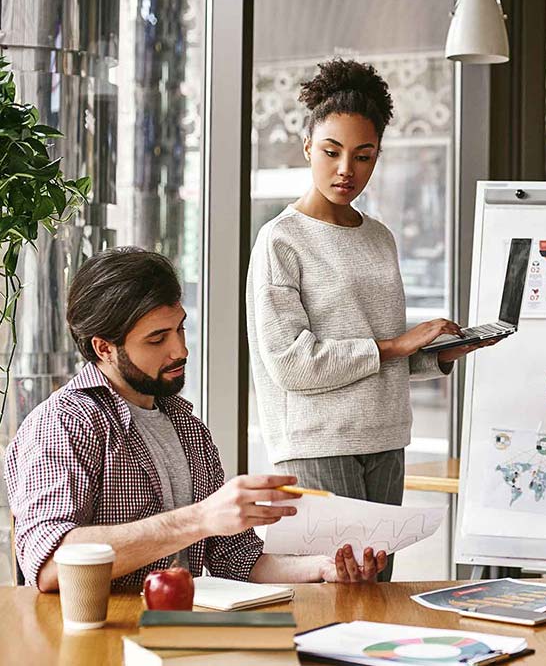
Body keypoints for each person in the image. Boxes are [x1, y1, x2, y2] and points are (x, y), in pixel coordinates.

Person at [5, 247, 386, 592]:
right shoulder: (64, 423)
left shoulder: (187, 426)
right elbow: (50, 564)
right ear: (104, 347)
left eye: (180, 328)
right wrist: (200, 518)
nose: (180, 350)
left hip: (179, 627)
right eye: (157, 339)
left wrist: (322, 567)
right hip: (101, 633)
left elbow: (235, 559)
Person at [246, 59, 488, 580]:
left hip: (385, 437)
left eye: (363, 156)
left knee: (376, 590)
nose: (346, 170)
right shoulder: (280, 241)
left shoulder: (379, 237)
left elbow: (381, 353)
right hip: (316, 443)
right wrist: (396, 346)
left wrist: (437, 355)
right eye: (331, 152)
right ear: (307, 146)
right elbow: (291, 362)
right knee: (333, 591)